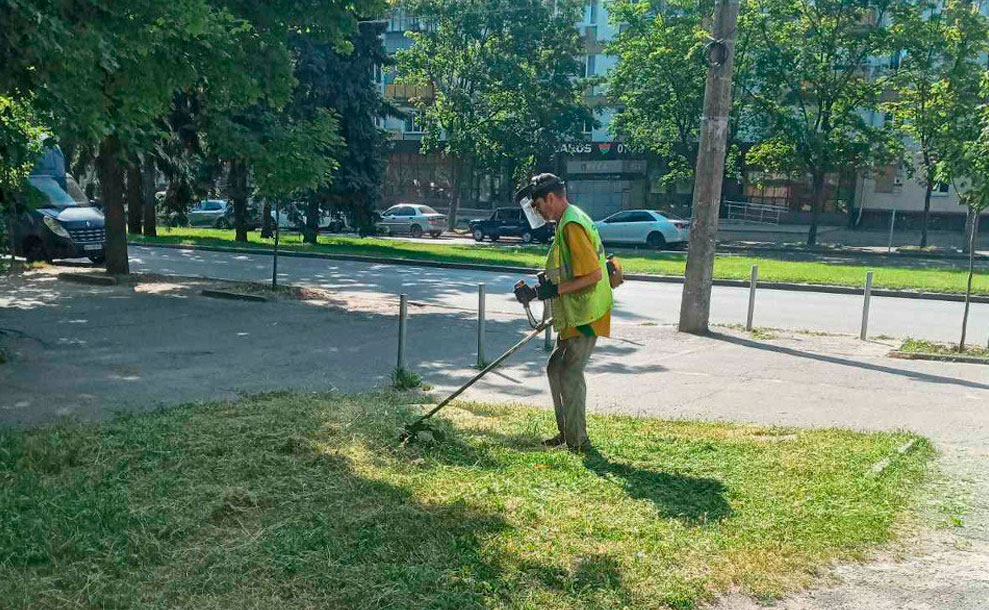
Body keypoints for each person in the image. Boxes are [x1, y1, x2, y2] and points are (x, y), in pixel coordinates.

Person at [515, 173, 613, 451]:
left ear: (551, 198)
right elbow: (567, 271)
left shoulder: (571, 225)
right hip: (577, 312)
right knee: (555, 368)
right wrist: (538, 290)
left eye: (537, 205)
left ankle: (578, 442)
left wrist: (554, 291)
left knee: (569, 372)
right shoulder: (566, 222)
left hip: (587, 313)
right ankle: (568, 433)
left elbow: (593, 275)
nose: (537, 212)